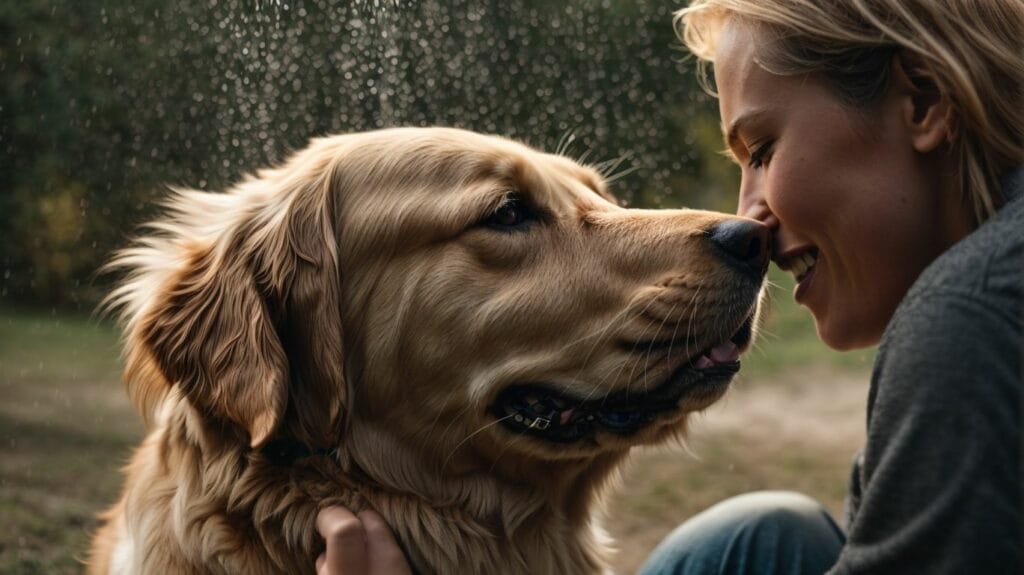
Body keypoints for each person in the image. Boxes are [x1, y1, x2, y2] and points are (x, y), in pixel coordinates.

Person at [316, 0, 1023, 572]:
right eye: (509, 216)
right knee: (766, 535)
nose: (747, 219)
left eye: (765, 149)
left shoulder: (967, 315)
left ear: (925, 103)